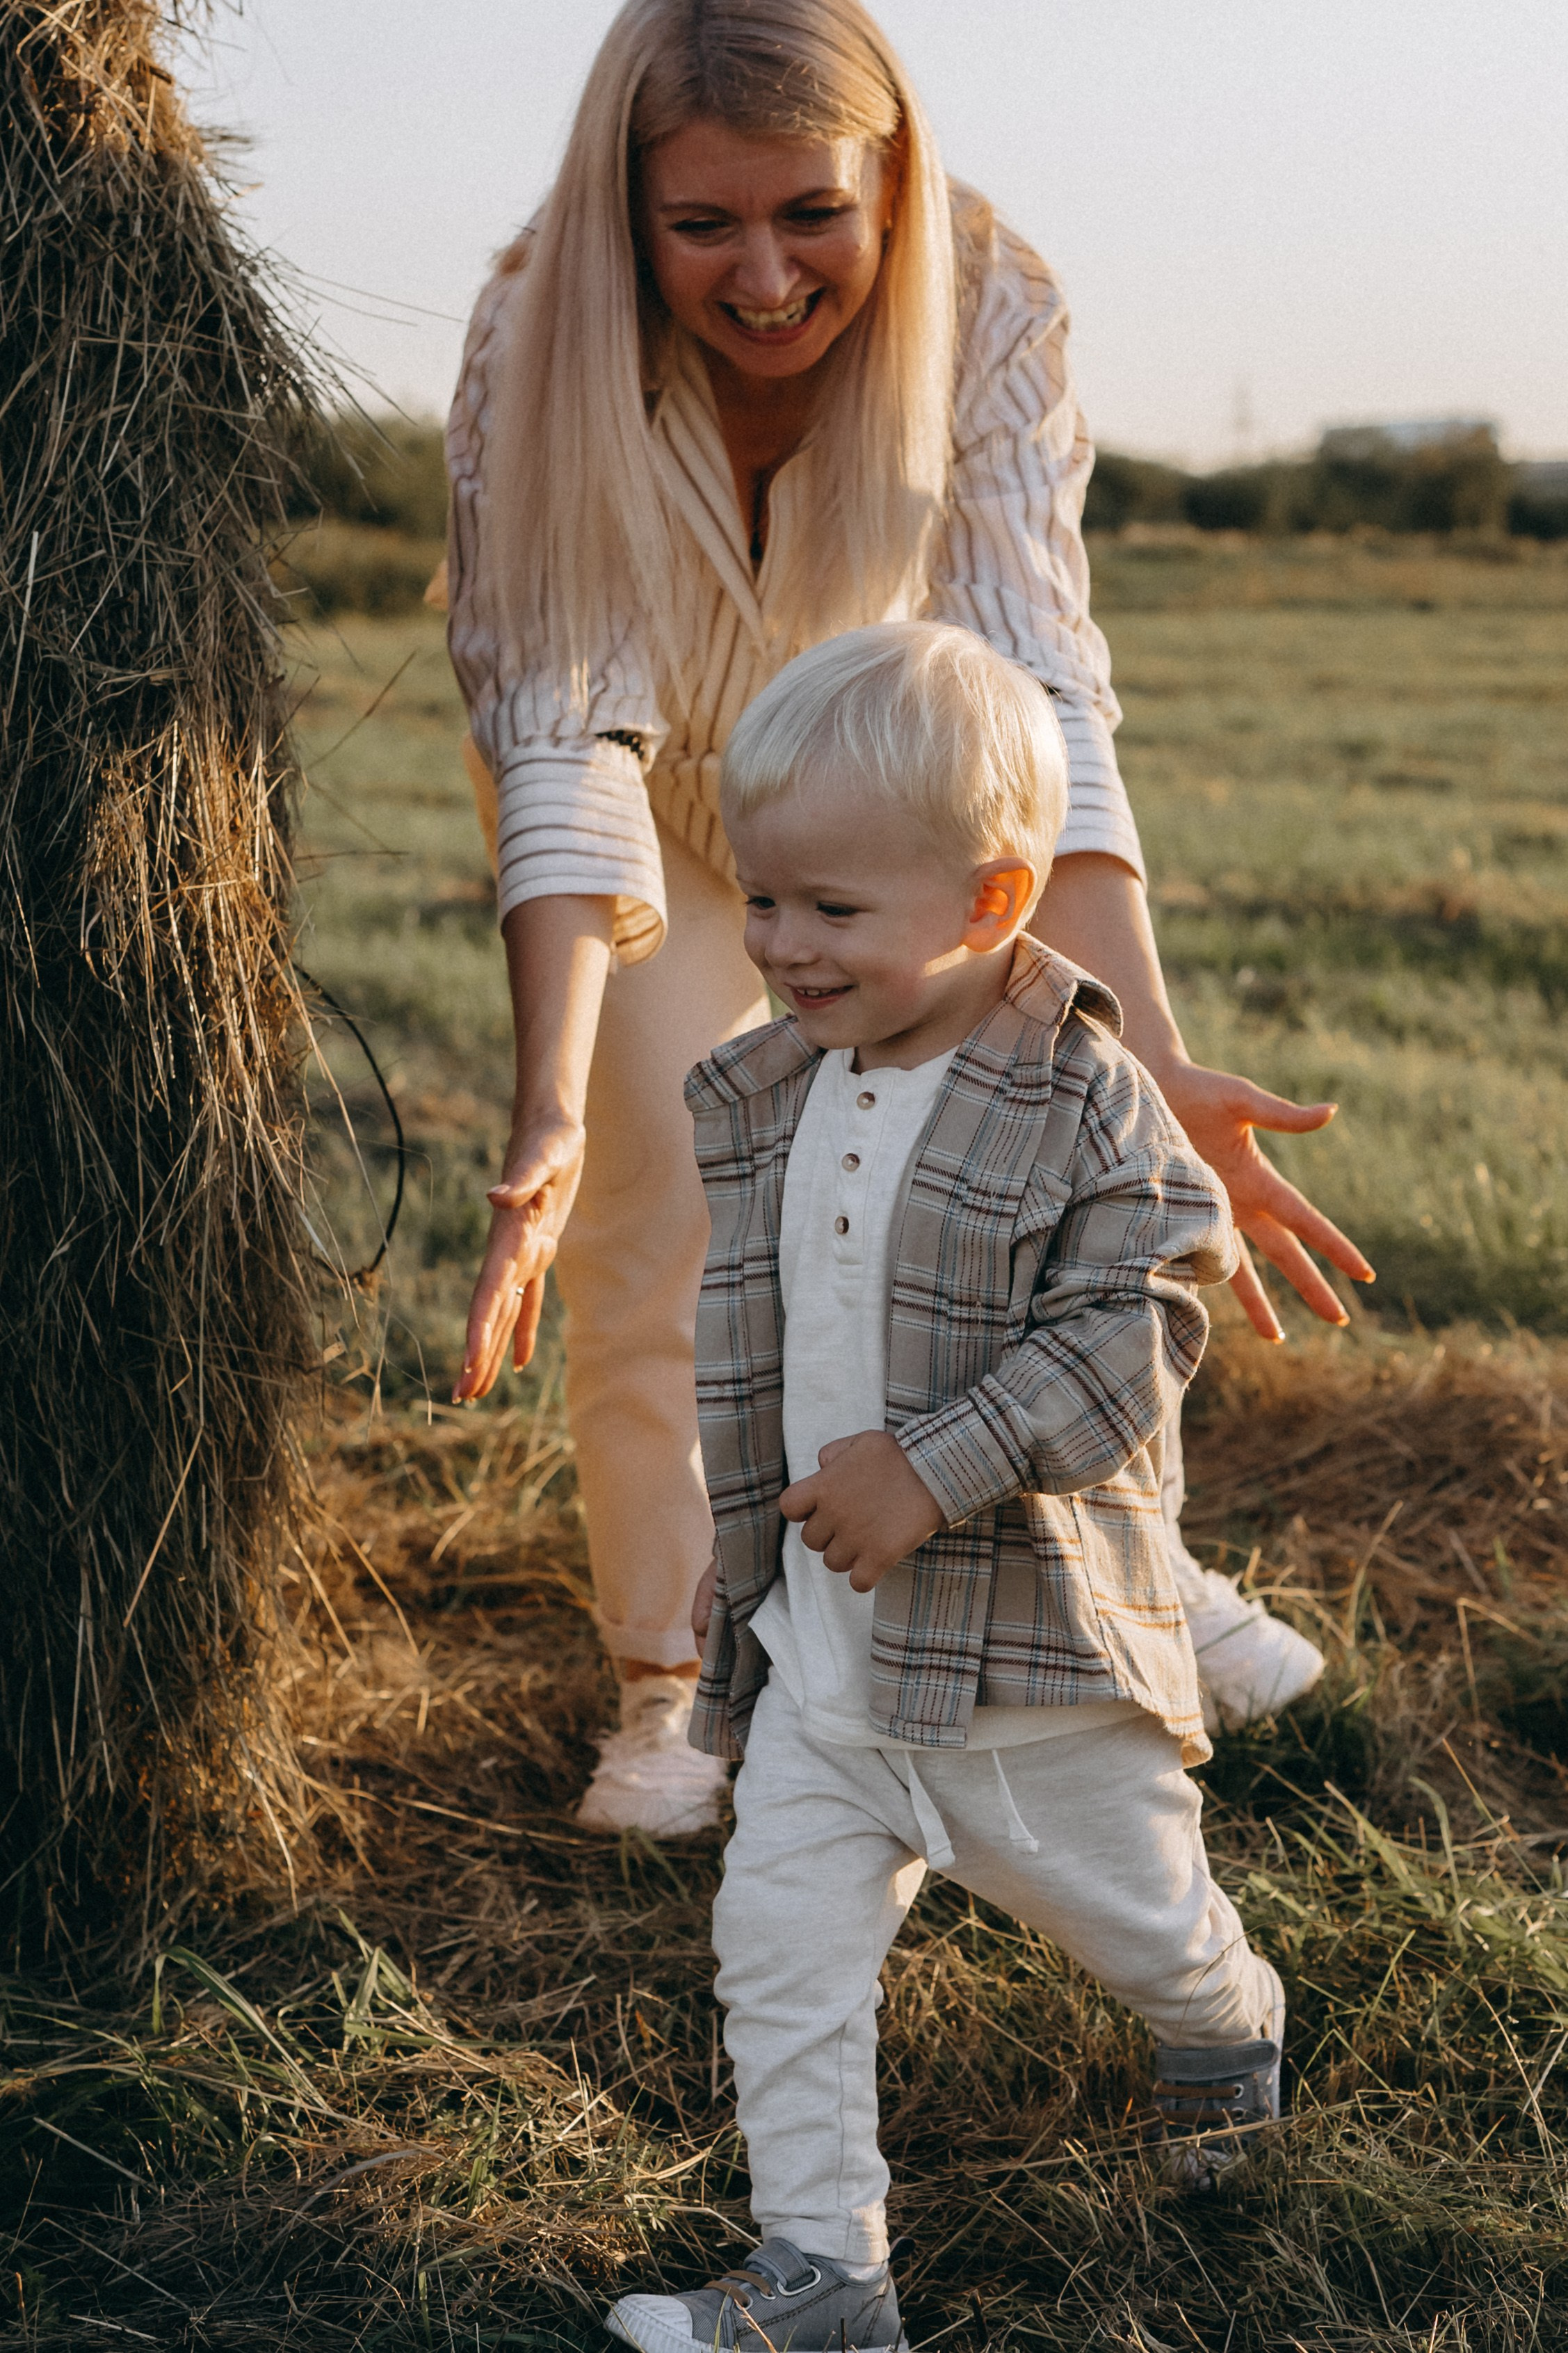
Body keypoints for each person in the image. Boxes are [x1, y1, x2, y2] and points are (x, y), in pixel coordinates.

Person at [443, 0, 1371, 1836]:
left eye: (813, 215)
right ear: (627, 210)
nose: (767, 278)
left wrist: (1153, 1049)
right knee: (669, 1193)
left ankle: (1112, 1583)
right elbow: (563, 730)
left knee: (1023, 1158)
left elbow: (1032, 689)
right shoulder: (533, 330)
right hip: (645, 814)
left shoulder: (997, 301)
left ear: (895, 177)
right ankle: (676, 1681)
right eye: (702, 226)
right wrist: (552, 1110)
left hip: (894, 795)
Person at [604, 622, 1285, 2353]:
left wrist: (932, 1466)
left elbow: (1134, 1338)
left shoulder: (1088, 1107)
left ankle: (1224, 2024)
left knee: (1142, 1931)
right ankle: (828, 2280)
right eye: (762, 900)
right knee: (781, 1961)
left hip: (1021, 1670)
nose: (777, 945)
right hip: (828, 1675)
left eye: (832, 911)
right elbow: (769, 1345)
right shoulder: (775, 1089)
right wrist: (736, 1557)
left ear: (988, 906)